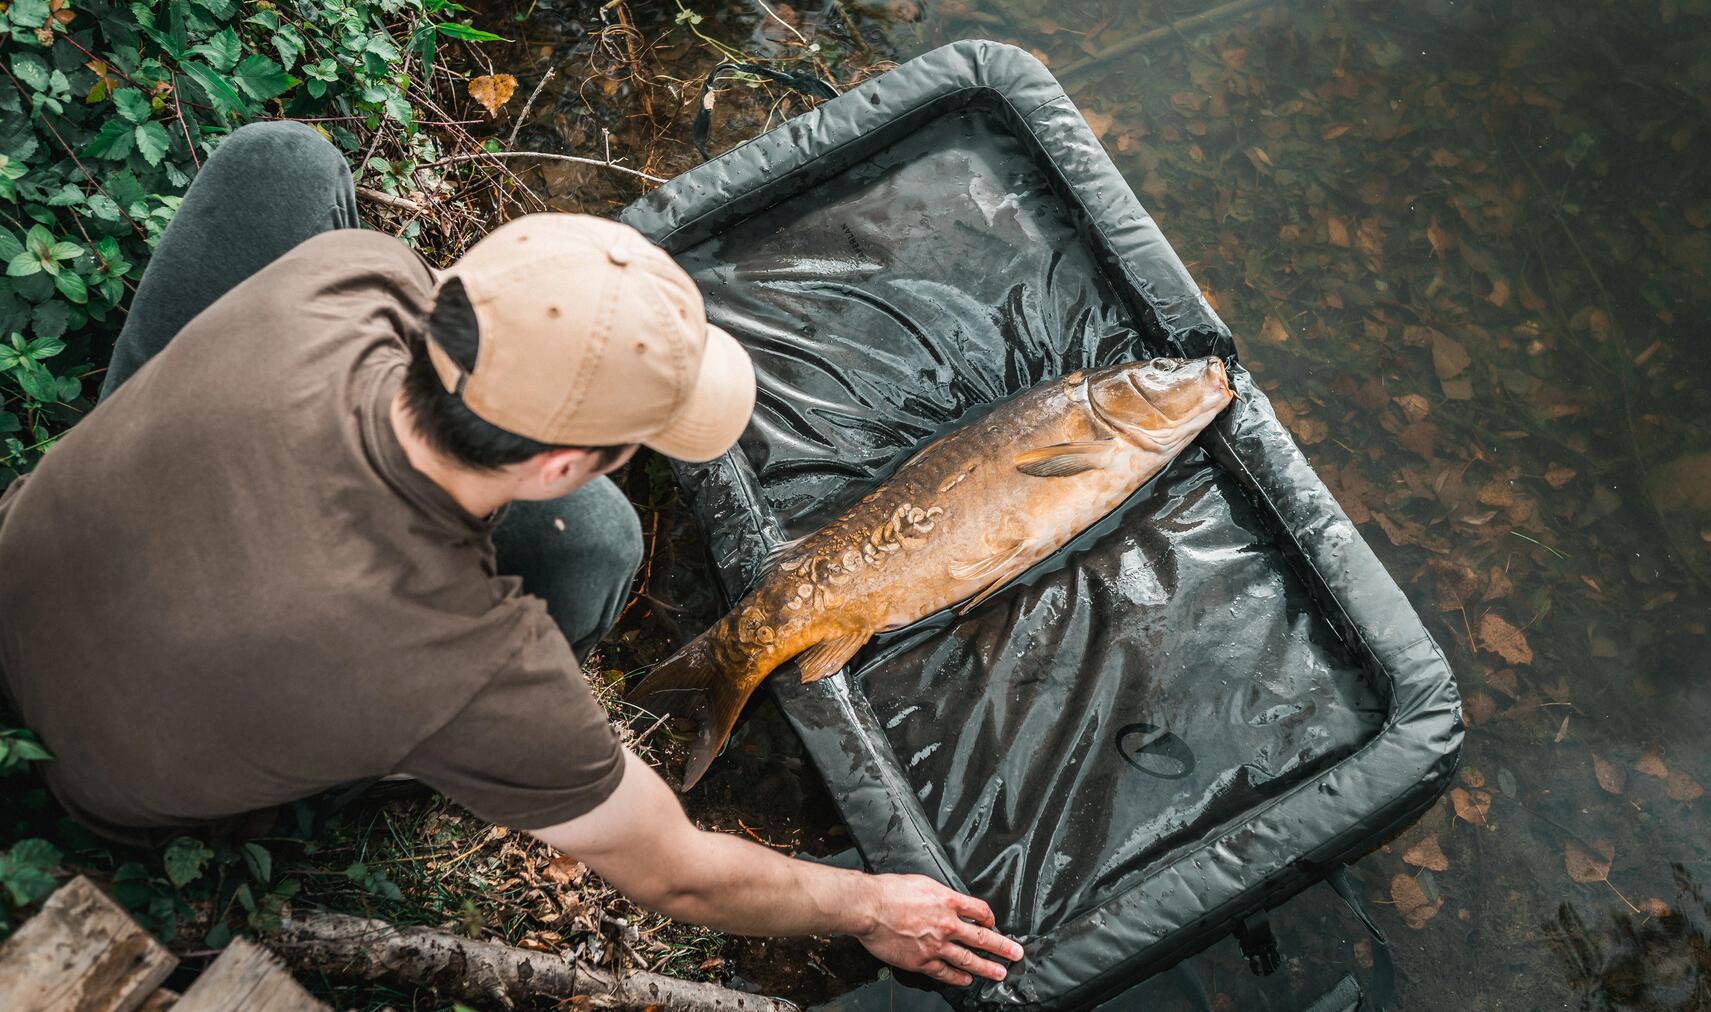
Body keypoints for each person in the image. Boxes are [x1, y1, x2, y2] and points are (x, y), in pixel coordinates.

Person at [0, 122, 1020, 987]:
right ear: (561, 463)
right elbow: (678, 875)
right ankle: (362, 767)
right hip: (110, 785)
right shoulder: (473, 666)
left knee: (283, 161)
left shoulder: (350, 277)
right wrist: (870, 903)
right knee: (602, 545)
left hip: (26, 570)